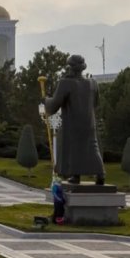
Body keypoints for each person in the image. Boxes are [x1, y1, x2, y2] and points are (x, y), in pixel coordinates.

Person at [44, 55, 106, 185]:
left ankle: (76, 175)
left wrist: (45, 100)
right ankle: (99, 174)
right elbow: (96, 103)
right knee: (92, 147)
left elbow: (54, 105)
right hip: (89, 122)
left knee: (74, 149)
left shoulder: (65, 83)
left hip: (73, 122)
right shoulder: (92, 83)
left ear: (71, 68)